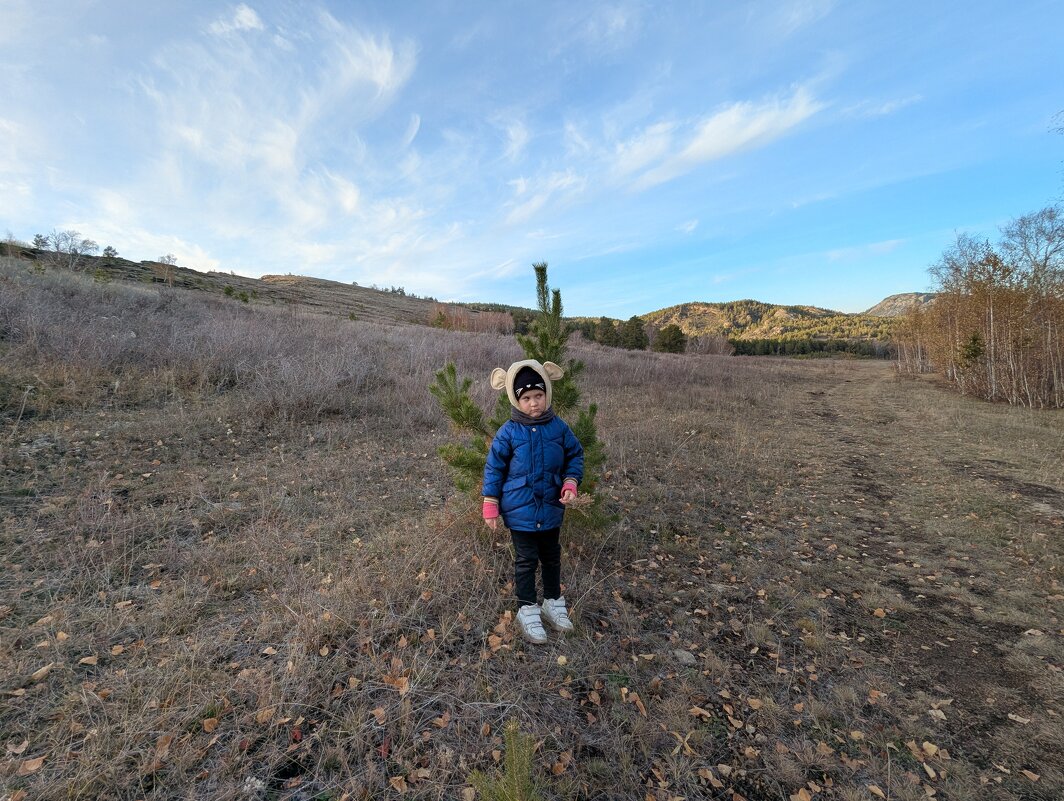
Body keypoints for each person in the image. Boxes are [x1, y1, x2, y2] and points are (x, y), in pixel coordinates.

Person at [482, 359, 584, 644]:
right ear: (515, 400)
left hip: (551, 506)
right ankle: (527, 608)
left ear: (547, 394)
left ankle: (552, 601)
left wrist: (571, 481)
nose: (534, 403)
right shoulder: (509, 432)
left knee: (552, 556)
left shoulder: (559, 428)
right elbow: (494, 468)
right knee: (526, 560)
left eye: (538, 395)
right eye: (525, 398)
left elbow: (575, 456)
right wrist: (490, 502)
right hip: (519, 510)